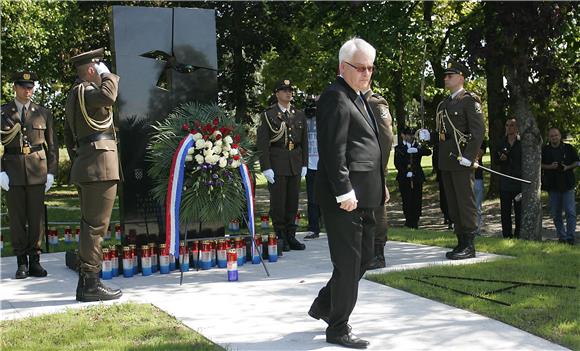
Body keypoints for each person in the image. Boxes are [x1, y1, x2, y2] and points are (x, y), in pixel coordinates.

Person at [308, 37, 385, 349]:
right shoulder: (335, 98)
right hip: (345, 199)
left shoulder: (357, 95)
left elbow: (368, 147)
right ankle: (338, 328)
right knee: (349, 263)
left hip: (365, 194)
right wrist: (344, 192)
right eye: (360, 67)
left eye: (370, 68)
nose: (366, 73)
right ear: (343, 67)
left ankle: (325, 305)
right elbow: (332, 151)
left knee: (364, 258)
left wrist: (380, 186)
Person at [64, 48, 122, 302]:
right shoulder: (87, 91)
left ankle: (85, 284)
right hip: (99, 165)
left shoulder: (75, 95)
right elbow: (109, 96)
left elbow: (69, 137)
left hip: (88, 163)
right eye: (98, 67)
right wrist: (108, 74)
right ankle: (90, 284)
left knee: (90, 225)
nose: (101, 70)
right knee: (96, 227)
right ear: (91, 70)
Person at [0, 71, 58, 279]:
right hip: (12, 171)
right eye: (24, 86)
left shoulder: (43, 113)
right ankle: (21, 261)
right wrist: (0, 172)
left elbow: (52, 146)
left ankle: (35, 260)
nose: (28, 90)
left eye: (31, 86)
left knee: (36, 218)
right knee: (16, 219)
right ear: (15, 87)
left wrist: (51, 172)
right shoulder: (3, 112)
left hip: (37, 170)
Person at [435, 60, 485, 260]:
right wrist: (428, 136)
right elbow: (443, 133)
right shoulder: (444, 104)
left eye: (450, 75)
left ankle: (469, 244)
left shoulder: (469, 101)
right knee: (453, 203)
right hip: (447, 160)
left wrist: (469, 156)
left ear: (461, 77)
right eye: (445, 76)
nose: (446, 78)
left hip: (461, 159)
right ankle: (460, 241)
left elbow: (478, 131)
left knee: (465, 202)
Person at [257, 79, 307, 252]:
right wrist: (266, 167)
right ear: (277, 93)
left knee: (293, 202)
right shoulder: (268, 115)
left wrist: (305, 164)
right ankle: (280, 236)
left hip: (295, 162)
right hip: (277, 163)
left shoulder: (299, 114)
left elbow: (304, 142)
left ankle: (291, 236)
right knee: (278, 202)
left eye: (290, 90)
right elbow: (262, 144)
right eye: (284, 90)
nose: (288, 93)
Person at [363, 83, 393, 269]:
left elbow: (386, 138)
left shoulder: (375, 102)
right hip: (358, 167)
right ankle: (367, 252)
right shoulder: (354, 101)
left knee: (377, 210)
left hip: (374, 167)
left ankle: (378, 253)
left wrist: (380, 170)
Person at [541, 127, 578, 245]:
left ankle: (570, 237)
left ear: (560, 136)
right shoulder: (545, 150)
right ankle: (562, 237)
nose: (554, 137)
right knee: (556, 213)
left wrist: (567, 167)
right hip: (552, 186)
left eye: (556, 135)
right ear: (549, 137)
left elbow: (577, 162)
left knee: (570, 212)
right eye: (552, 136)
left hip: (568, 184)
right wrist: (550, 167)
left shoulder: (568, 148)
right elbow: (539, 165)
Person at [394, 127, 431, 229]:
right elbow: (397, 163)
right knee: (407, 199)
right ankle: (408, 220)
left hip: (417, 177)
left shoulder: (417, 146)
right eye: (408, 135)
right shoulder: (399, 148)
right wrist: (405, 172)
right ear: (403, 135)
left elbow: (428, 152)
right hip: (404, 178)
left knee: (416, 199)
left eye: (412, 135)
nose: (410, 137)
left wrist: (417, 150)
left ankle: (415, 220)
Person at [497, 119, 522, 238]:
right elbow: (496, 160)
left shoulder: (522, 142)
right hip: (505, 182)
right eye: (507, 125)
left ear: (517, 127)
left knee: (519, 211)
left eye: (512, 125)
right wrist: (500, 158)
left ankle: (518, 235)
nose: (509, 128)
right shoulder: (501, 142)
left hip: (519, 182)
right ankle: (507, 235)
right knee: (505, 211)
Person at [304, 96, 322, 240]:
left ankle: (332, 227)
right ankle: (313, 228)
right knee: (312, 198)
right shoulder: (304, 120)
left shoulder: (328, 118)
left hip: (326, 165)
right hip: (310, 165)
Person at [473, 141, 487, 235]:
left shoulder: (481, 140)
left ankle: (476, 229)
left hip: (477, 177)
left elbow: (478, 155)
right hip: (464, 177)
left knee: (477, 207)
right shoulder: (462, 136)